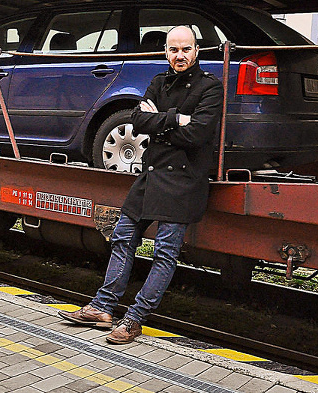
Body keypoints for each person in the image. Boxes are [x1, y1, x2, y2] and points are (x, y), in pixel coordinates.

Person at [59, 25, 224, 344]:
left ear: (196, 51)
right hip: (151, 175)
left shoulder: (210, 88)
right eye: (174, 50)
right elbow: (137, 120)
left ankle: (134, 319)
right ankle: (103, 308)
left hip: (183, 179)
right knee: (122, 237)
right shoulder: (158, 82)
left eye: (186, 49)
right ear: (166, 52)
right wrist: (177, 119)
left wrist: (161, 121)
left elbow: (198, 135)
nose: (180, 55)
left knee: (164, 252)